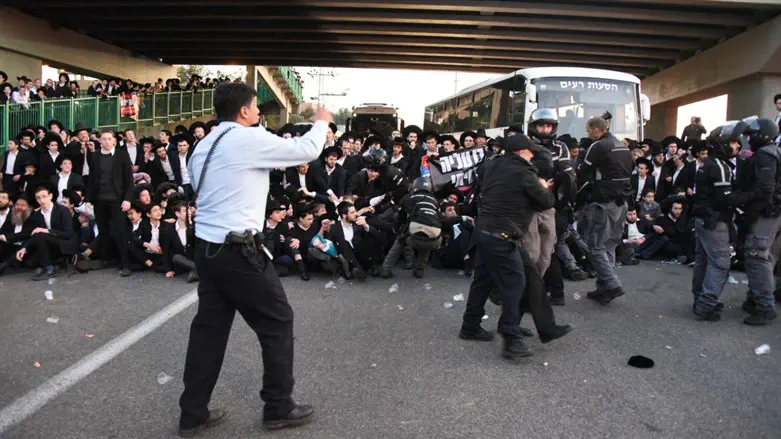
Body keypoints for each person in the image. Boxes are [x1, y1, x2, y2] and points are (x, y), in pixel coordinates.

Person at [178, 82, 331, 436]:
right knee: (278, 322)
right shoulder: (247, 139)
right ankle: (278, 406)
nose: (259, 114)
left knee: (208, 333)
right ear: (244, 111)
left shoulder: (203, 145)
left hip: (208, 249)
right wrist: (321, 121)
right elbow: (306, 148)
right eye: (255, 108)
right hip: (239, 252)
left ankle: (192, 413)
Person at [459, 134, 555, 361]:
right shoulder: (524, 172)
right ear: (522, 151)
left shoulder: (492, 165)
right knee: (514, 283)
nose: (532, 155)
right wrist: (543, 186)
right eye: (530, 151)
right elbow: (546, 202)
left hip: (483, 232)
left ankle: (470, 326)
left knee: (482, 280)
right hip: (501, 235)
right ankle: (511, 337)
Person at [730, 117, 781, 325]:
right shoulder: (774, 151)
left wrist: (742, 202)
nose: (748, 139)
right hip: (774, 213)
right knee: (767, 257)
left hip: (767, 213)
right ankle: (755, 299)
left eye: (751, 135)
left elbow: (764, 189)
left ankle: (764, 307)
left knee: (757, 255)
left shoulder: (765, 154)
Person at [691, 122, 744, 321]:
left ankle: (700, 299)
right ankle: (706, 304)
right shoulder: (720, 166)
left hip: (704, 220)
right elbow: (725, 198)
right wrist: (749, 197)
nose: (736, 146)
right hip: (714, 221)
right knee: (720, 263)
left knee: (703, 261)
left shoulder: (710, 164)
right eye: (732, 142)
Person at [577, 116, 633, 305]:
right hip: (622, 203)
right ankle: (604, 288)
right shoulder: (623, 146)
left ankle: (612, 283)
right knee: (609, 245)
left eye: (588, 130)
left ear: (595, 129)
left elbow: (583, 172)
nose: (588, 134)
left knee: (595, 246)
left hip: (604, 203)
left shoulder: (599, 146)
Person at [86, 130, 135, 276]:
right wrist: (89, 199)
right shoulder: (95, 156)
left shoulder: (121, 155)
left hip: (117, 200)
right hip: (99, 199)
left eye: (109, 139)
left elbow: (129, 180)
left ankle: (125, 263)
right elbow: (92, 179)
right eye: (104, 139)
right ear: (99, 141)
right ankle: (107, 259)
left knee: (120, 232)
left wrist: (128, 199)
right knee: (103, 231)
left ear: (114, 141)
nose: (106, 142)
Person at [380, 176, 442, 279]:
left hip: (415, 237)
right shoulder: (435, 201)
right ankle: (419, 270)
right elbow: (440, 219)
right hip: (435, 240)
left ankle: (386, 269)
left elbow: (400, 218)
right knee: (427, 234)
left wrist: (397, 230)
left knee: (401, 238)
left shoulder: (408, 197)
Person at [15, 184, 75, 280]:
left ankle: (48, 267)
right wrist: (24, 248)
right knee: (28, 262)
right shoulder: (37, 214)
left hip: (64, 243)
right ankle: (49, 265)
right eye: (38, 198)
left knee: (40, 235)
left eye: (44, 196)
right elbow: (33, 234)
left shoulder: (62, 210)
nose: (41, 200)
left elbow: (68, 234)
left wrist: (46, 230)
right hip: (47, 244)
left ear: (50, 196)